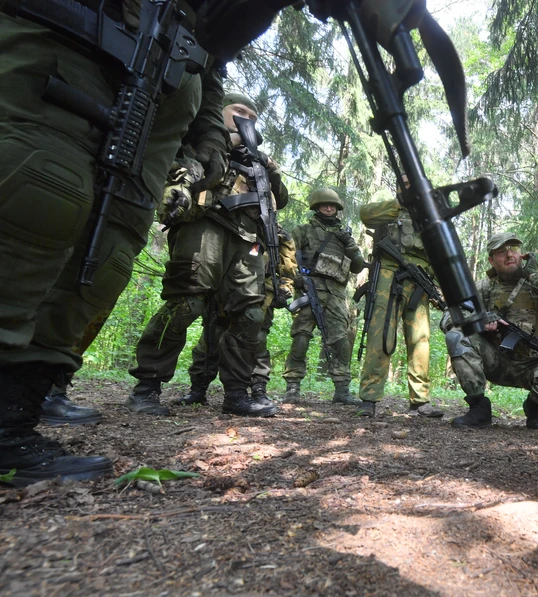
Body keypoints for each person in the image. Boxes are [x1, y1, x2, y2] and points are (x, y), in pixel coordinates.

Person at [0, 2, 228, 486]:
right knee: (36, 197)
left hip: (164, 96)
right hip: (63, 39)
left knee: (107, 254)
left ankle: (11, 420)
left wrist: (209, 129)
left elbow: (212, 56)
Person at [124, 92, 288, 418]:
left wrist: (270, 168)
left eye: (252, 117)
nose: (245, 119)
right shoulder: (201, 141)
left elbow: (279, 200)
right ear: (219, 113)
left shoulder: (259, 161)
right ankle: (147, 388)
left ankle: (237, 394)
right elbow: (174, 176)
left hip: (248, 241)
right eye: (238, 112)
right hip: (205, 226)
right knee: (187, 304)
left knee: (250, 316)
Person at [444, 232, 538, 429]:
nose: (509, 255)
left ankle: (534, 407)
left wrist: (535, 277)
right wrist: (478, 321)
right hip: (495, 360)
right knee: (456, 336)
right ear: (491, 260)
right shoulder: (482, 288)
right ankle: (479, 408)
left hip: (533, 366)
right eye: (501, 252)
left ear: (521, 253)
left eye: (514, 249)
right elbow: (448, 316)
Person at [178, 225, 297, 407]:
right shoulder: (228, 222)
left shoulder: (277, 233)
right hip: (223, 286)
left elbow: (288, 267)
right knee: (212, 334)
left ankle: (258, 389)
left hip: (262, 291)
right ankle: (198, 388)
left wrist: (285, 288)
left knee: (257, 339)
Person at [355, 177, 445, 418]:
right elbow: (364, 214)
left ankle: (420, 401)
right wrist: (399, 204)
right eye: (404, 182)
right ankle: (369, 399)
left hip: (420, 282)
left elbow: (438, 254)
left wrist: (438, 289)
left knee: (420, 341)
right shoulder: (389, 209)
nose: (409, 186)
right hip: (388, 274)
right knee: (381, 336)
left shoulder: (430, 219)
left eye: (413, 183)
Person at [282, 188, 365, 406]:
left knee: (340, 341)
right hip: (309, 290)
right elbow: (287, 255)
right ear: (317, 207)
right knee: (301, 337)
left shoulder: (344, 235)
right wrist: (296, 277)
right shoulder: (304, 230)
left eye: (333, 206)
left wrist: (350, 245)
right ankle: (292, 387)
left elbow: (357, 267)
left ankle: (342, 390)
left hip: (336, 295)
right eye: (324, 205)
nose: (329, 208)